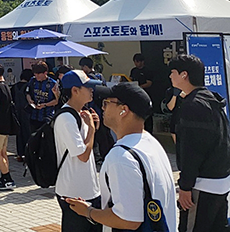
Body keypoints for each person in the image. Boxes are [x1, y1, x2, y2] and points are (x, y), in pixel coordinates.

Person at [67, 83, 177, 232]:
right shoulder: (151, 142)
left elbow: (129, 220)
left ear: (123, 110)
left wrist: (88, 212)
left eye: (106, 103)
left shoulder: (121, 157)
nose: (103, 108)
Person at [169, 54, 230, 231]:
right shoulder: (212, 99)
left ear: (184, 75)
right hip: (221, 180)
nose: (170, 76)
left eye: (172, 72)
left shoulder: (192, 105)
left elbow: (192, 150)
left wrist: (185, 186)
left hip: (202, 184)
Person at [54, 70, 102, 231]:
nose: (91, 91)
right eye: (87, 87)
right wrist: (92, 130)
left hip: (87, 188)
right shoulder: (66, 118)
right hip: (73, 192)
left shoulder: (80, 113)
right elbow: (83, 155)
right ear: (75, 90)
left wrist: (91, 127)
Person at [26, 61, 60, 132]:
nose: (36, 76)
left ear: (45, 73)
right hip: (34, 116)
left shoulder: (52, 83)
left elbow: (56, 101)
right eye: (35, 74)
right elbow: (28, 93)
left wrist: (44, 105)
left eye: (38, 74)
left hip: (47, 116)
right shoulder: (33, 81)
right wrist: (29, 100)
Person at [12, 69, 33, 162]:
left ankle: (20, 154)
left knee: (19, 134)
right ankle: (29, 153)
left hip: (17, 112)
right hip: (28, 113)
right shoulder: (29, 86)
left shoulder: (14, 87)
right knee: (28, 133)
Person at [129, 53, 154, 133]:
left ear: (142, 62)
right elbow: (130, 79)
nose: (136, 64)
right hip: (135, 96)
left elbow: (149, 83)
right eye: (135, 62)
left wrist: (139, 87)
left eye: (138, 62)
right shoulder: (134, 70)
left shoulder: (147, 70)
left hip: (146, 94)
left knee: (148, 114)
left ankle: (149, 131)